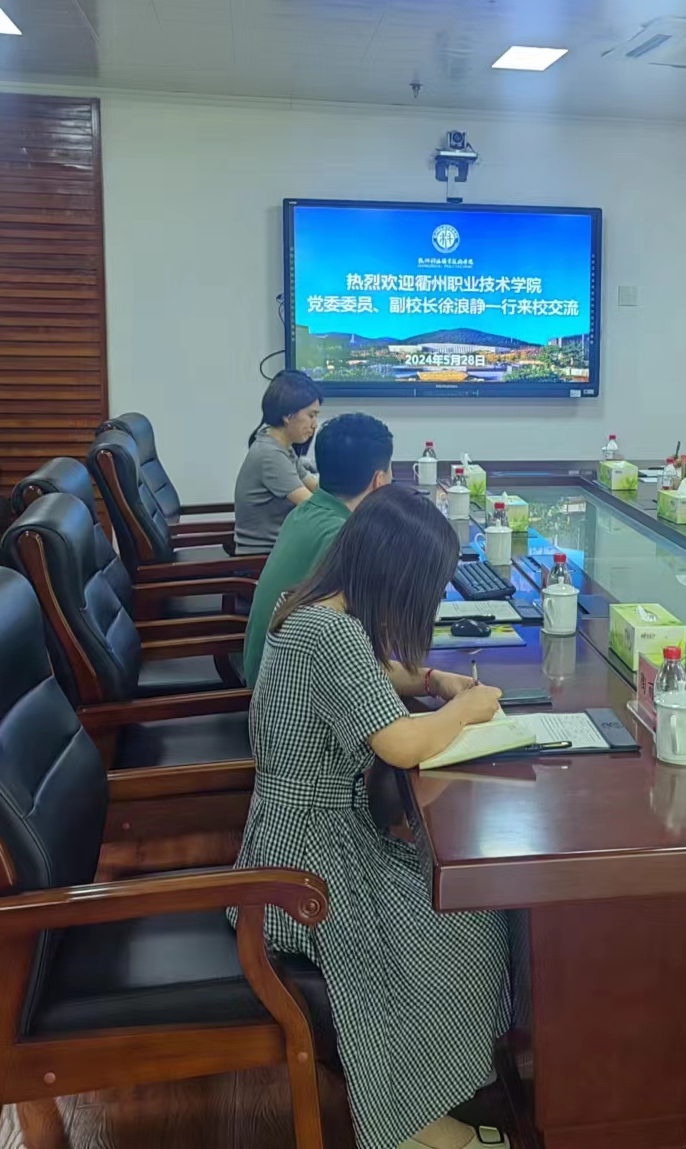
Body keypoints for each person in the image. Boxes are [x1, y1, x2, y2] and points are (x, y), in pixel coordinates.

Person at [237, 484, 512, 1149]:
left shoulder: (307, 607)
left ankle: (431, 1085)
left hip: (287, 838)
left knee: (457, 906)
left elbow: (364, 678)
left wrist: (429, 681)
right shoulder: (331, 633)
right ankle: (407, 1119)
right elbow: (401, 744)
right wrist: (464, 709)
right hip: (305, 871)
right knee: (458, 921)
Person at [242, 412, 394, 684]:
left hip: (263, 676)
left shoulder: (304, 512)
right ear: (379, 480)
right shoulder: (346, 538)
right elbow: (365, 651)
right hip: (289, 691)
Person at [233, 370, 322, 553]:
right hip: (264, 558)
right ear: (288, 416)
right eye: (311, 415)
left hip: (280, 549)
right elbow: (313, 508)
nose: (315, 424)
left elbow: (314, 486)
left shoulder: (282, 447)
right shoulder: (270, 455)